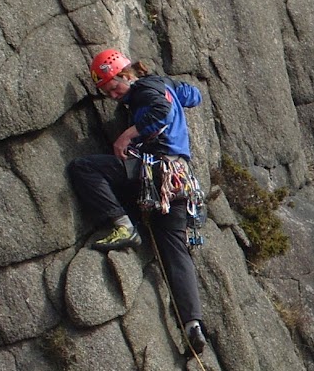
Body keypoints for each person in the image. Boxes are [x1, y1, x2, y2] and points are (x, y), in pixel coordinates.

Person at [68, 48, 209, 352]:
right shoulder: (159, 86)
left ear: (127, 74)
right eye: (105, 91)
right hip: (180, 182)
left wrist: (126, 135)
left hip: (156, 171)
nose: (112, 94)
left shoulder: (145, 89)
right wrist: (172, 88)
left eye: (114, 86)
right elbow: (193, 95)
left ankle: (121, 225)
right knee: (175, 253)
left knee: (84, 168)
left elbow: (159, 112)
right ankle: (192, 324)